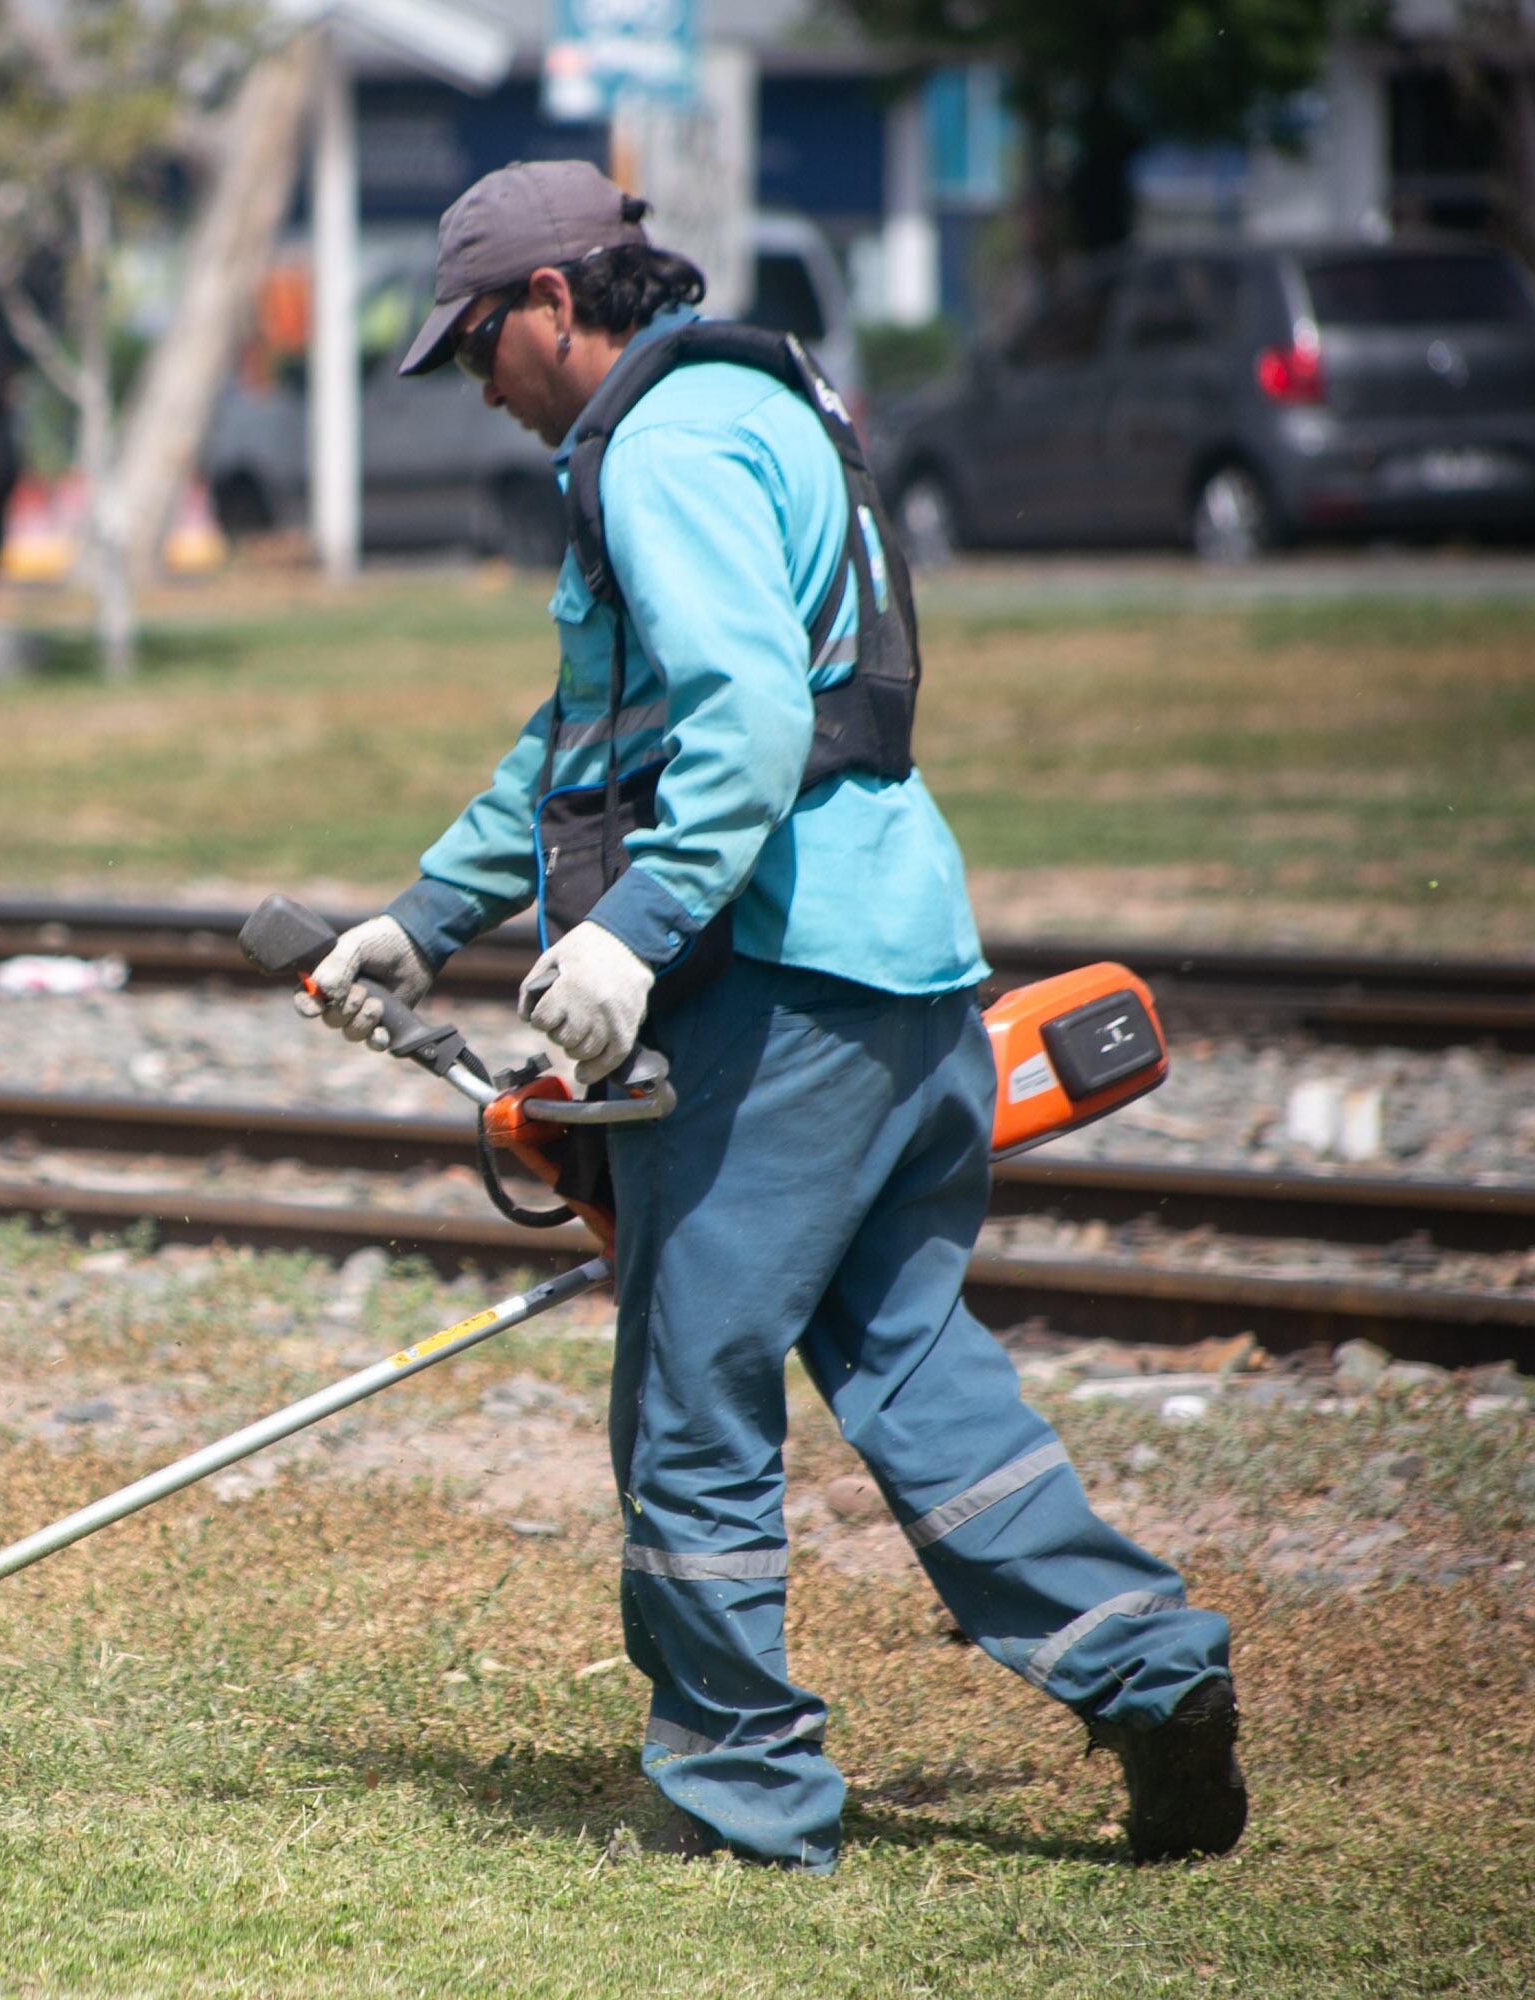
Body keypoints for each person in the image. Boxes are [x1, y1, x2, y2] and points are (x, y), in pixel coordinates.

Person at [296, 160, 1245, 1873]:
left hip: (780, 994)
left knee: (693, 1388)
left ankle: (739, 1793)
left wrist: (638, 935)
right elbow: (589, 732)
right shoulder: (759, 411)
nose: (477, 390)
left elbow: (732, 718)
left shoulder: (656, 451)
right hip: (910, 972)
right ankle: (1151, 1672)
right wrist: (424, 915)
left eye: (476, 351)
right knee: (908, 1358)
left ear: (552, 307)